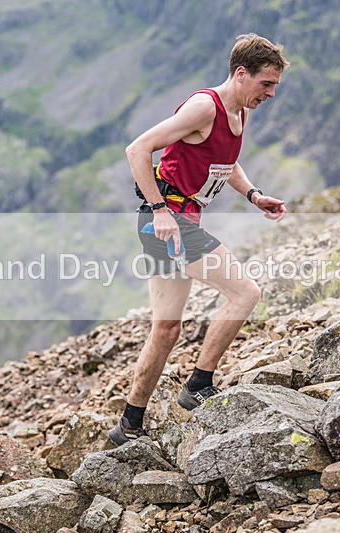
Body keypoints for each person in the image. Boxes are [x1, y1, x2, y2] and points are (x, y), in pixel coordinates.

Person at [109, 33, 289, 445]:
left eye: (275, 85)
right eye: (266, 83)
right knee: (245, 293)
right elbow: (138, 149)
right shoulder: (204, 106)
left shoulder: (239, 112)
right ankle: (198, 386)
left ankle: (128, 426)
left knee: (167, 330)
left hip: (176, 220)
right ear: (241, 74)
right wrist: (159, 211)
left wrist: (254, 195)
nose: (271, 93)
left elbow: (224, 160)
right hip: (167, 220)